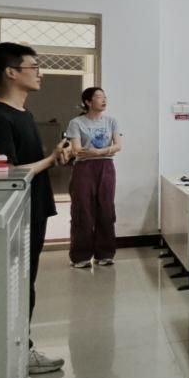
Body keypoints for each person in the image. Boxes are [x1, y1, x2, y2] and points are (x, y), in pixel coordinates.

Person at [0, 43, 70, 377]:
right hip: (17, 211)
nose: (40, 73)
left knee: (26, 281)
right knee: (17, 284)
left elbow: (30, 164)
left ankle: (21, 351)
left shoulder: (24, 114)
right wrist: (50, 160)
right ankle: (14, 357)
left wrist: (54, 158)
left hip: (35, 206)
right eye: (33, 66)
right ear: (11, 72)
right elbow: (5, 172)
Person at [65, 86, 121, 269]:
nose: (104, 100)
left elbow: (118, 146)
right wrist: (105, 150)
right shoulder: (76, 123)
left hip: (106, 167)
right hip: (84, 168)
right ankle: (80, 256)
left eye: (105, 97)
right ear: (88, 102)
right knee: (82, 210)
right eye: (98, 97)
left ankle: (105, 253)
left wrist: (97, 152)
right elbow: (76, 149)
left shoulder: (111, 121)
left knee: (106, 209)